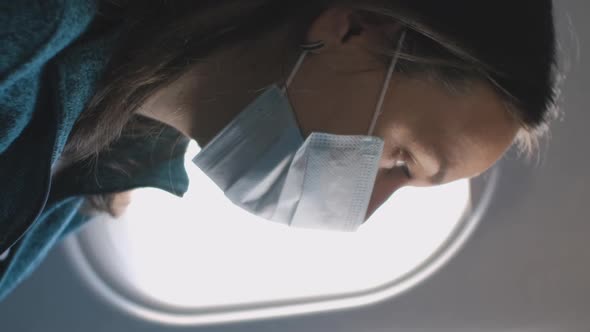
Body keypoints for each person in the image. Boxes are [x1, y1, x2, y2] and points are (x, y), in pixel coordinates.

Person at [0, 0, 558, 300]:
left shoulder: (99, 170)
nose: (364, 211)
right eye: (402, 161)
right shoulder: (31, 28)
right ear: (353, 31)